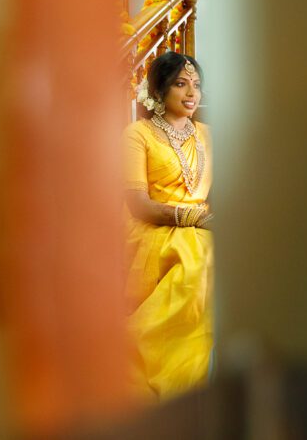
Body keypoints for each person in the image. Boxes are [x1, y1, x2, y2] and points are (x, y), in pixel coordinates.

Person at [123, 51, 213, 401]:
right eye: (180, 84)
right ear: (160, 90)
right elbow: (137, 203)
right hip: (154, 227)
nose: (192, 93)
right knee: (198, 259)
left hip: (202, 225)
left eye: (197, 85)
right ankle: (166, 378)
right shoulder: (138, 134)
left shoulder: (208, 135)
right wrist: (191, 218)